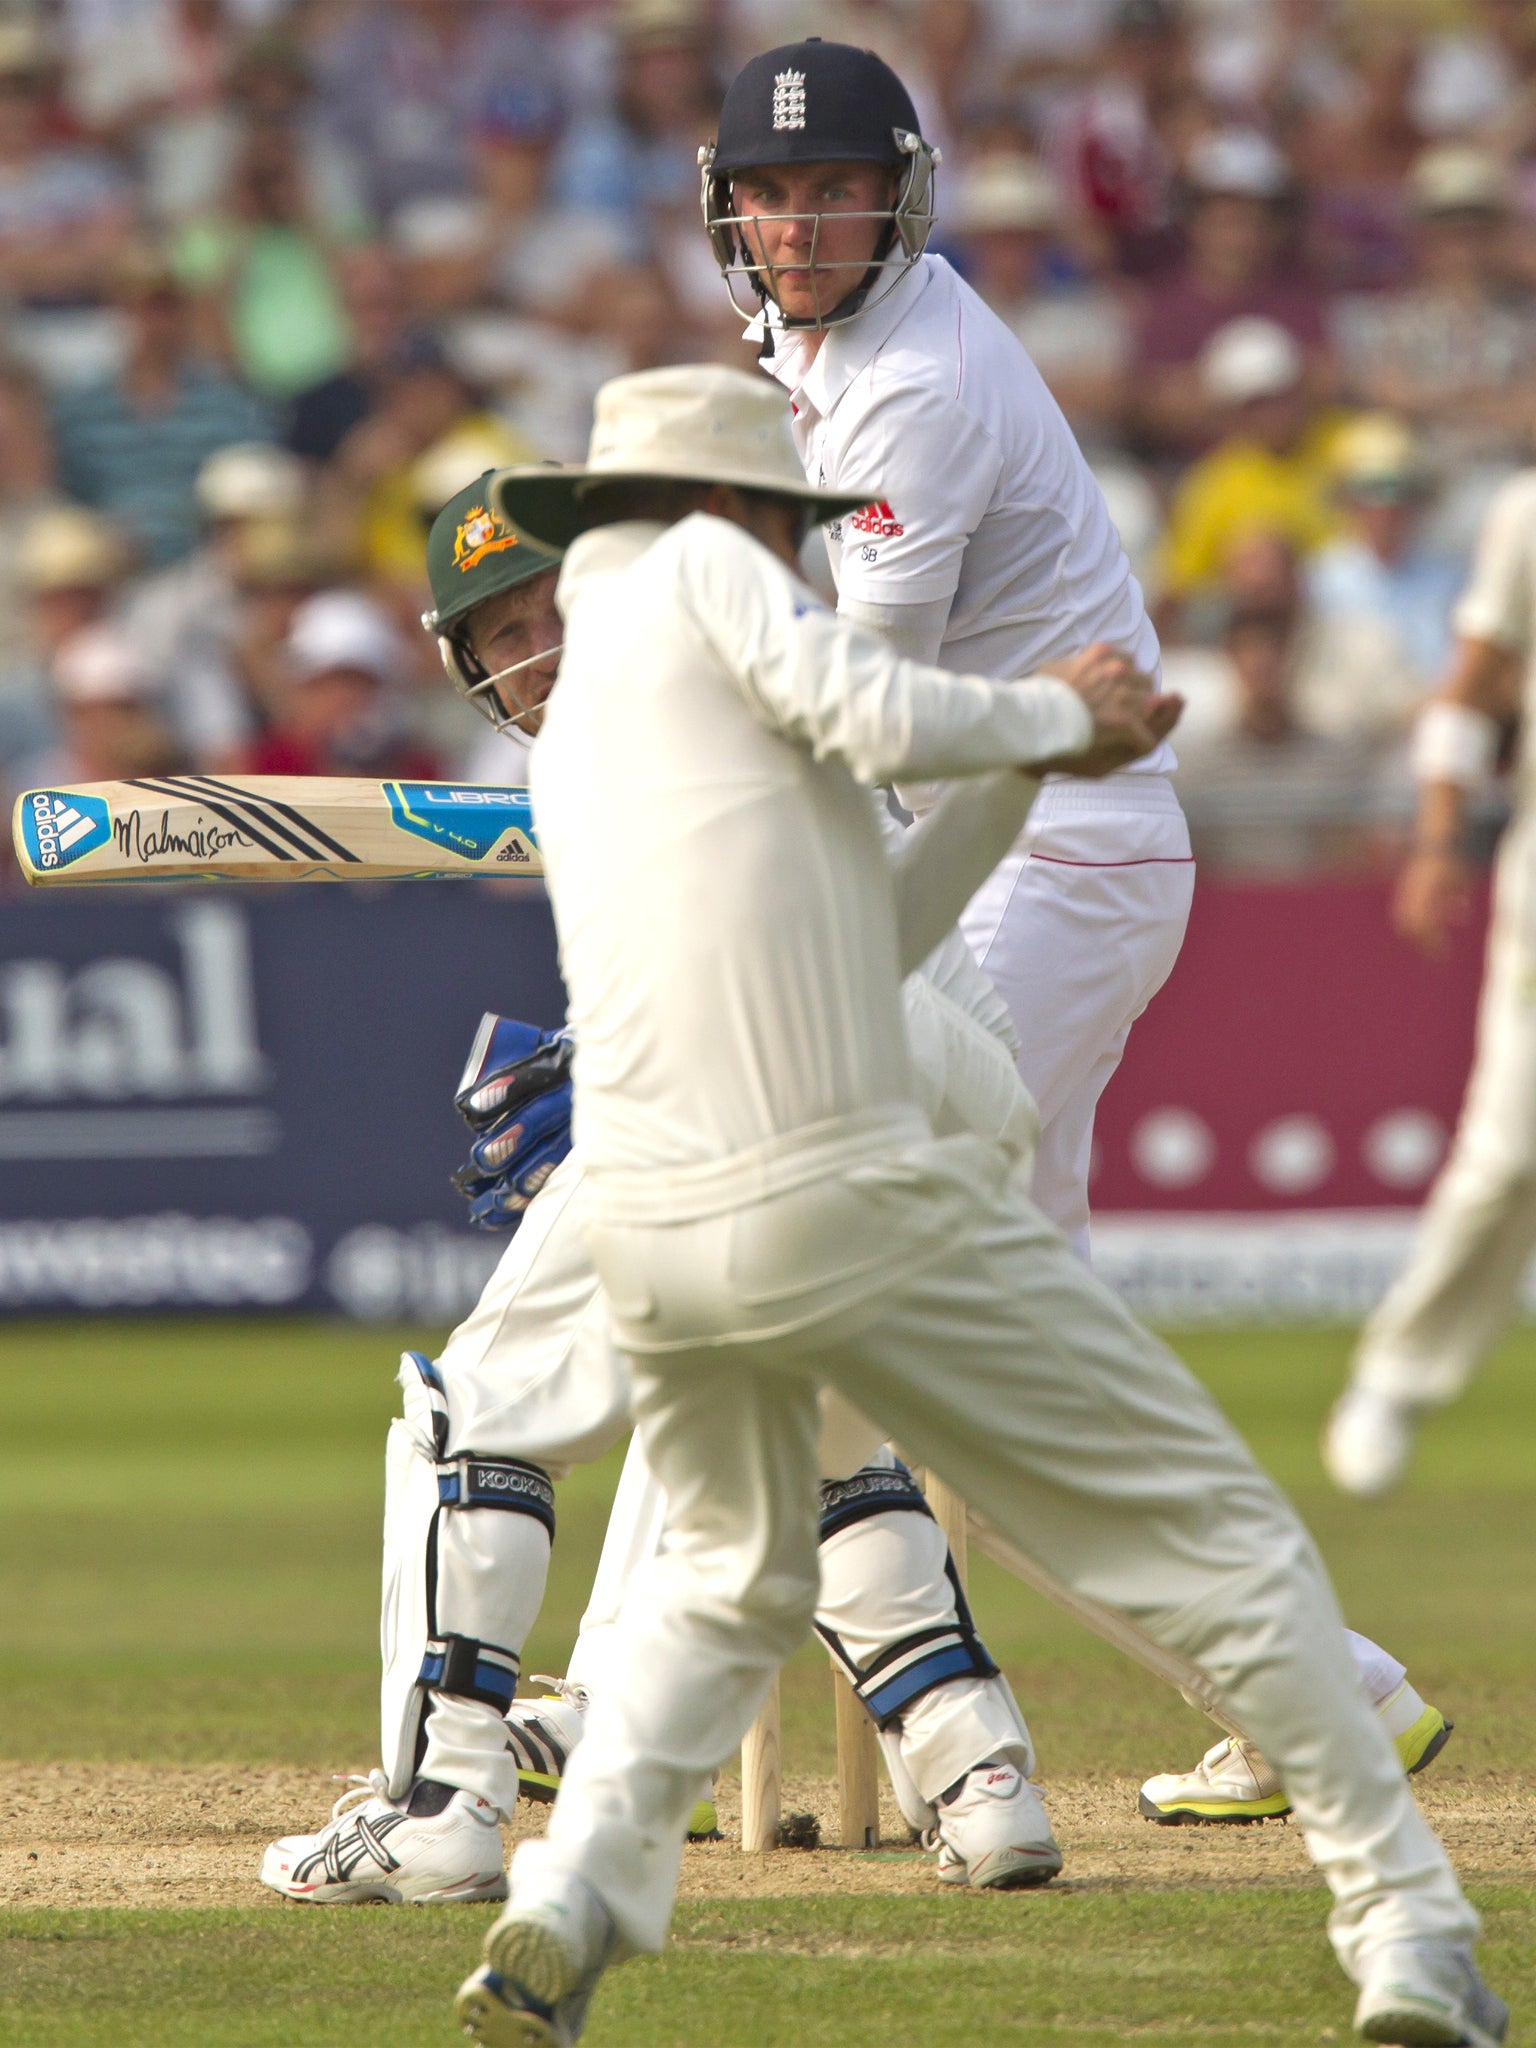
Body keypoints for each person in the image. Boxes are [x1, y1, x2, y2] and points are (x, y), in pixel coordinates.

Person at [454, 361, 1503, 2048]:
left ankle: (566, 1902)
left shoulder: (587, 730)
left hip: (651, 1228)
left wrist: (1020, 776)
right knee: (1217, 1531)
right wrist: (1051, 714)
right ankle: (1410, 1927)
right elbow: (880, 708)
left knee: (722, 1578)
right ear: (732, 506)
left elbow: (868, 930)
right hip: (836, 1183)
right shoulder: (704, 571)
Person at [260, 467, 1098, 1905]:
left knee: (481, 1406)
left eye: (548, 609)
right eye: (500, 629)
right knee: (827, 1441)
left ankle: (440, 1804)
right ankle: (983, 1781)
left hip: (805, 1066)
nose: (534, 651)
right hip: (950, 1115)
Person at [1326, 464, 1536, 1497]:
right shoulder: (1525, 516)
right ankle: (1394, 1379)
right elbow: (1471, 692)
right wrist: (1442, 836)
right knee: (1505, 1159)